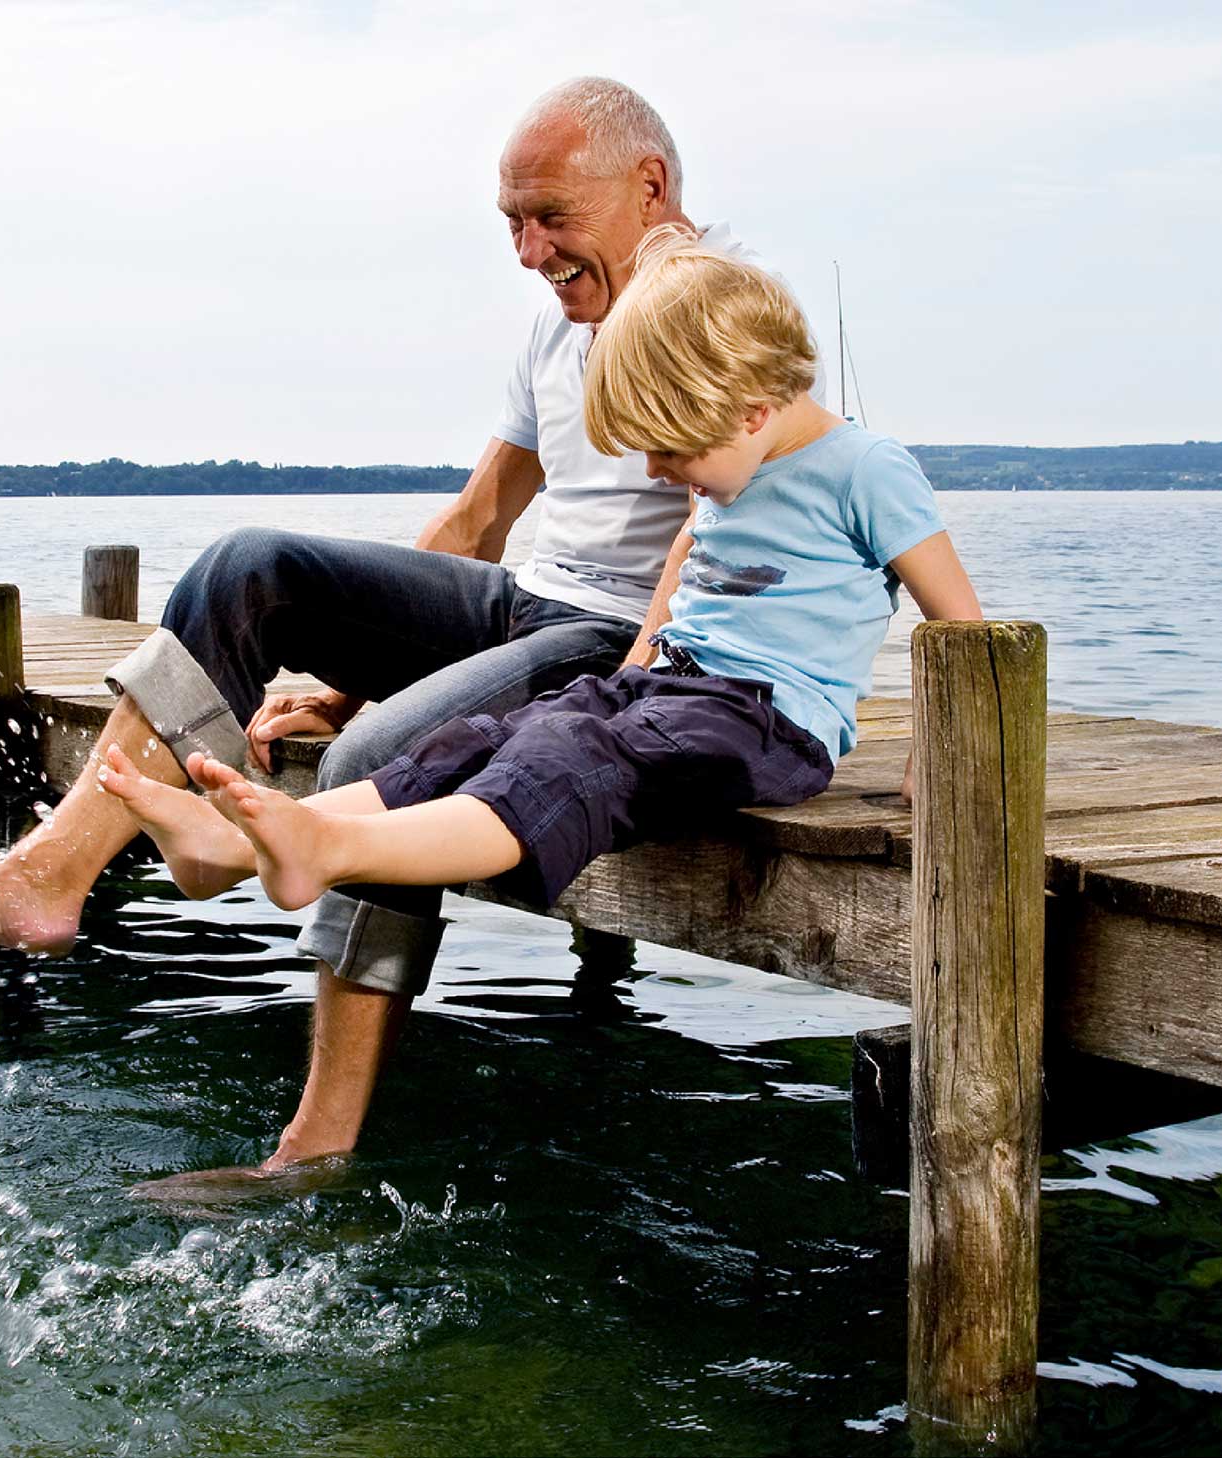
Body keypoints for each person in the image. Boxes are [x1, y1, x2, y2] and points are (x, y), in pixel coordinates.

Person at [0, 79, 766, 1171]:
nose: (528, 250)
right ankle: (57, 871)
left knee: (386, 756)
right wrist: (351, 667)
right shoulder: (553, 333)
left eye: (550, 219)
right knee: (252, 567)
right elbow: (480, 517)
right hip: (523, 602)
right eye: (511, 222)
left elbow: (724, 524)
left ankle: (314, 1141)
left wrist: (631, 677)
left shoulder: (728, 307)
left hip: (615, 641)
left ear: (650, 186)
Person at [93, 232, 982, 987]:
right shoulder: (734, 466)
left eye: (669, 454)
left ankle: (324, 847)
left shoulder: (866, 471)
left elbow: (963, 632)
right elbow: (684, 570)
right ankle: (233, 851)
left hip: (766, 724)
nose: (661, 476)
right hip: (671, 691)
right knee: (488, 736)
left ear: (751, 411)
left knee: (569, 755)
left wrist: (949, 758)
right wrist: (634, 668)